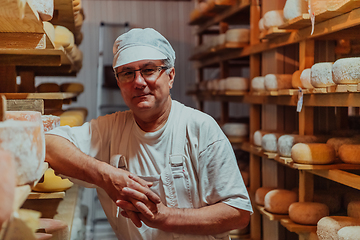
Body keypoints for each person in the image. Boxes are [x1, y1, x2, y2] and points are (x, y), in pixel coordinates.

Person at [45, 28, 252, 240]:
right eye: (127, 73)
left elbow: (238, 213)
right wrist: (106, 176)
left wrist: (166, 218)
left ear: (170, 76)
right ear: (118, 82)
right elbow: (49, 144)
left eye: (148, 70)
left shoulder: (200, 128)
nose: (138, 82)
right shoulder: (109, 129)